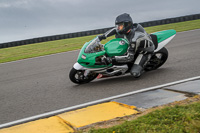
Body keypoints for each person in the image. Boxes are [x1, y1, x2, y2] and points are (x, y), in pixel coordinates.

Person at [98, 13, 155, 78]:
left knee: (135, 73)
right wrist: (102, 37)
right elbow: (114, 30)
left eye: (120, 26)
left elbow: (129, 57)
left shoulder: (134, 39)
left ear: (127, 25)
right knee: (118, 37)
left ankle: (143, 63)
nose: (118, 28)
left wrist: (111, 59)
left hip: (144, 51)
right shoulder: (129, 28)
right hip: (134, 46)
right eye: (117, 26)